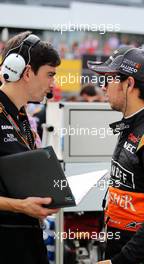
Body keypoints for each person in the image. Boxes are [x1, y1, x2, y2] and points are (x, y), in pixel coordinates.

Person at [88, 46, 144, 264]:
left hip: (142, 256)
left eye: (108, 79)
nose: (103, 87)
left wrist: (120, 261)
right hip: (122, 247)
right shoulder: (133, 123)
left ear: (129, 84)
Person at [0, 31, 60, 264]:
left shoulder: (22, 117)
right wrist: (21, 206)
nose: (53, 84)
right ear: (26, 72)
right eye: (50, 75)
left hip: (27, 244)